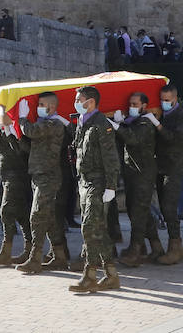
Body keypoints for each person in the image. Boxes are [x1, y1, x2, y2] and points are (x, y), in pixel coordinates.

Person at [67, 85, 121, 292]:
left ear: (90, 102)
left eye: (79, 99)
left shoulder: (101, 124)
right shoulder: (82, 122)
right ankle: (111, 275)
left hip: (98, 183)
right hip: (84, 181)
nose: (76, 103)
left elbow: (110, 157)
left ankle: (90, 275)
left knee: (89, 227)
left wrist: (111, 186)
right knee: (97, 228)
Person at [18, 92, 72, 274]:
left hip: (48, 176)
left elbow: (31, 131)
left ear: (51, 107)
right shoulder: (45, 124)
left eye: (41, 104)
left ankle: (35, 258)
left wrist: (22, 119)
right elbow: (31, 146)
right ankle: (59, 256)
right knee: (48, 218)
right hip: (40, 175)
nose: (38, 107)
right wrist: (15, 134)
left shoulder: (53, 124)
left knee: (37, 216)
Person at [116, 92, 162, 266]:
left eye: (135, 104)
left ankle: (136, 250)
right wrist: (122, 123)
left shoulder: (145, 122)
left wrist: (117, 126)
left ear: (144, 106)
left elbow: (133, 139)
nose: (132, 107)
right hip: (132, 172)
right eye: (130, 104)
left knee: (139, 211)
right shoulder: (133, 122)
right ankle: (156, 247)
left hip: (144, 173)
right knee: (136, 209)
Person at [0, 105, 31, 266]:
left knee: (6, 211)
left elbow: (21, 150)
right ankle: (29, 249)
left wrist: (10, 131)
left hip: (18, 175)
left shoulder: (19, 127)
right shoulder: (0, 127)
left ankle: (6, 251)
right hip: (6, 176)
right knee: (22, 214)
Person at [149, 84, 183, 264]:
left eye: (167, 100)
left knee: (169, 206)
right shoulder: (162, 114)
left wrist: (157, 125)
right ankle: (168, 247)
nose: (164, 103)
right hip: (160, 165)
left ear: (175, 98)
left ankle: (176, 247)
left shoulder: (182, 116)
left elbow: (174, 138)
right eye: (162, 100)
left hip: (173, 166)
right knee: (164, 208)